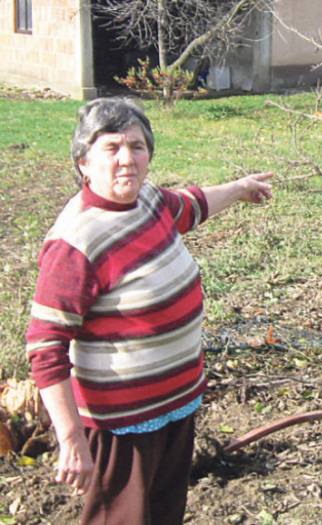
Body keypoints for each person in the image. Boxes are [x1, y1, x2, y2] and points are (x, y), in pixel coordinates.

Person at [25, 97, 273, 525]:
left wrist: (238, 188)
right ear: (84, 162)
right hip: (122, 424)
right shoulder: (76, 242)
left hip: (174, 405)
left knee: (161, 515)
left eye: (137, 147)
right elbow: (46, 347)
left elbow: (192, 205)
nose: (127, 160)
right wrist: (70, 439)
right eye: (112, 148)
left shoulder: (148, 202)